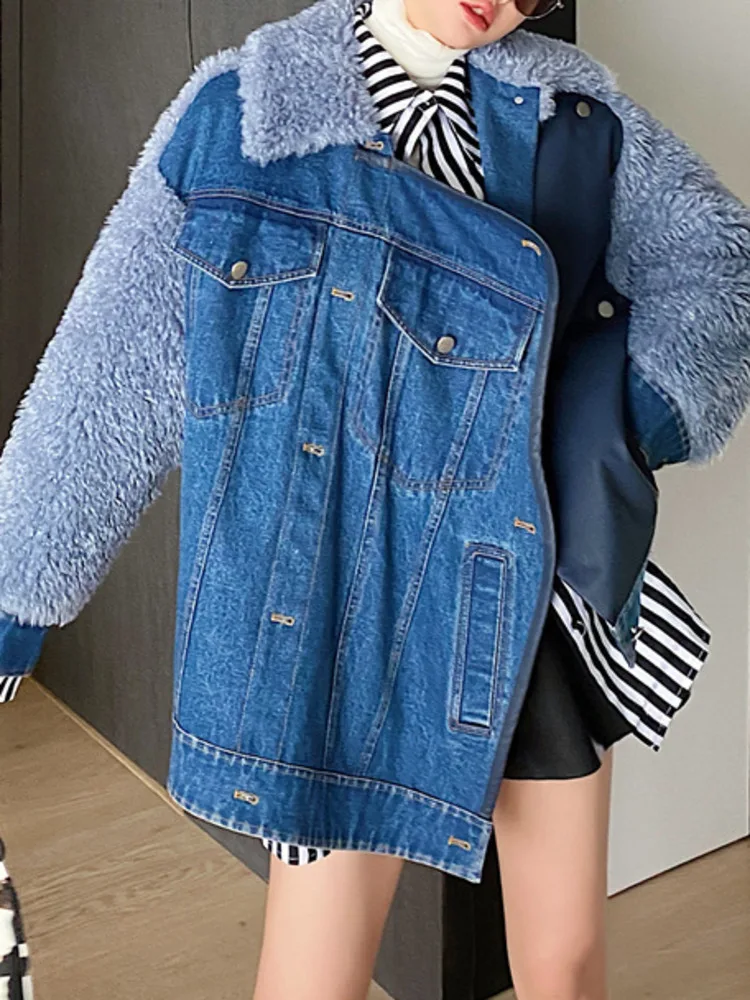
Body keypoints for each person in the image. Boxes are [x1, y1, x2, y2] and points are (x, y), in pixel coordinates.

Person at [0, 2, 747, 999]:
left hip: (521, 591)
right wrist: (15, 599)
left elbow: (721, 266)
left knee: (563, 964)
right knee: (315, 974)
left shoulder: (572, 116)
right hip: (336, 604)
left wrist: (614, 428)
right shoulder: (247, 114)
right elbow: (110, 372)